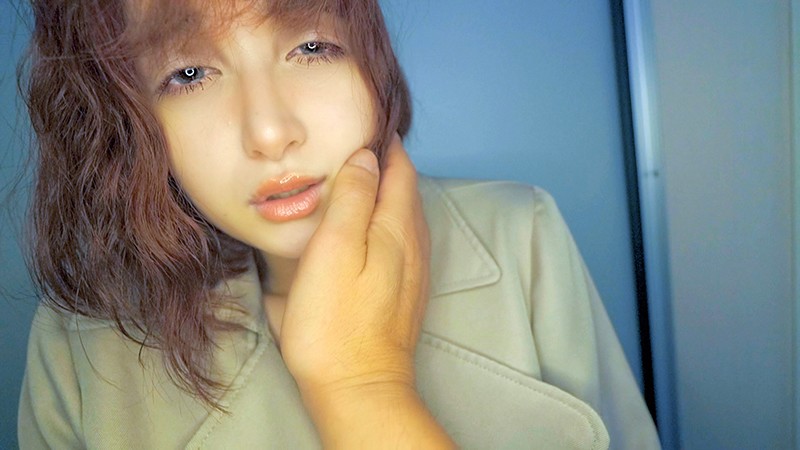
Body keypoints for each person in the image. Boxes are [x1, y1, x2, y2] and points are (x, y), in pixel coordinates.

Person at [18, 0, 660, 448]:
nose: (271, 133)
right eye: (189, 74)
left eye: (310, 46)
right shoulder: (80, 340)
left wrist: (363, 387)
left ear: (370, 59)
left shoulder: (520, 233)